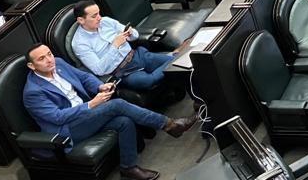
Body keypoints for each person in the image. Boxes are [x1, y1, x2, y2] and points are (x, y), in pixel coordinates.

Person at [23, 43, 196, 180]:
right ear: (32, 65)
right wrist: (91, 104)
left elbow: (84, 77)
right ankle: (169, 124)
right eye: (41, 59)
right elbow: (57, 117)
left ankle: (128, 168)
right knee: (117, 105)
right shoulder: (33, 92)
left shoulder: (59, 63)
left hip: (85, 115)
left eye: (49, 54)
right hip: (67, 130)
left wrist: (99, 86)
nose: (49, 60)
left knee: (123, 121)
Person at [71, 1, 180, 91]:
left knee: (177, 62)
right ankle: (171, 58)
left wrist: (131, 33)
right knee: (148, 81)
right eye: (94, 16)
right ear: (81, 20)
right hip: (123, 72)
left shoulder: (106, 21)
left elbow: (135, 36)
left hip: (137, 55)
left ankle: (172, 59)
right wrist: (115, 46)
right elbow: (99, 69)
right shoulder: (80, 43)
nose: (99, 18)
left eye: (99, 13)